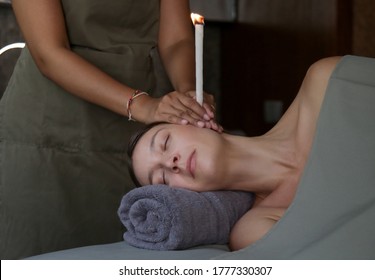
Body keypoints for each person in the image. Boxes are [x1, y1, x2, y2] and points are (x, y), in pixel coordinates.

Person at [0, 0, 220, 259]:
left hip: (131, 136)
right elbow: (49, 54)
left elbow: (175, 40)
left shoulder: (147, 156)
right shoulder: (144, 108)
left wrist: (187, 93)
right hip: (46, 128)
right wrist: (143, 106)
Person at [128, 56, 342, 251]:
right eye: (163, 179)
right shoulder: (254, 230)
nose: (170, 163)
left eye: (165, 142)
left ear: (197, 115)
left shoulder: (325, 81)